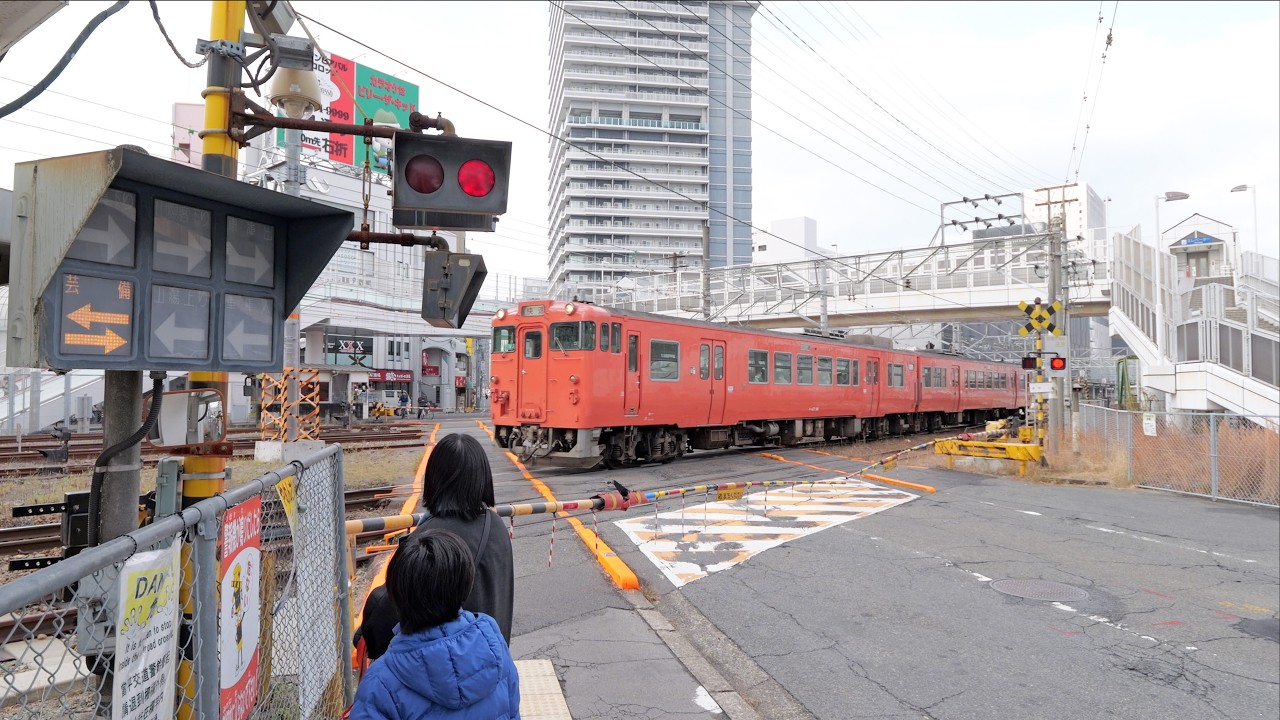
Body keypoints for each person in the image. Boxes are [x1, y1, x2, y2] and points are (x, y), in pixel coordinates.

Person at [355, 433, 514, 660]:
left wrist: (364, 632)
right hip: (491, 660)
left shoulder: (431, 538)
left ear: (434, 479)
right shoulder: (495, 525)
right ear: (482, 477)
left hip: (445, 669)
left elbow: (388, 611)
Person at [348, 529, 520, 720]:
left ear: (396, 595)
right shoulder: (492, 641)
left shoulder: (380, 684)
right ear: (465, 585)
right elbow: (512, 711)